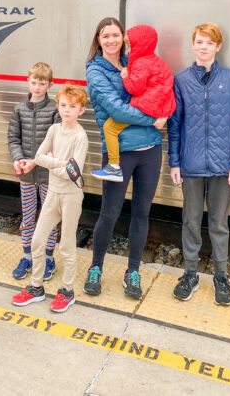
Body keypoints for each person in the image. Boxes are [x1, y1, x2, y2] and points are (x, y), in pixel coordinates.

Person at [167, 22, 230, 306]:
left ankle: (221, 277)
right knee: (190, 221)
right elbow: (175, 125)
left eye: (208, 43)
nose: (203, 47)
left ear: (218, 47)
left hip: (222, 168)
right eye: (199, 42)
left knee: (218, 223)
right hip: (190, 167)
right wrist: (174, 163)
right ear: (193, 45)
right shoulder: (181, 80)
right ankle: (190, 275)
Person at [84, 18, 164, 300]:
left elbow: (157, 91)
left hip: (151, 151)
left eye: (116, 35)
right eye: (105, 36)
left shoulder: (137, 63)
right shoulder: (95, 72)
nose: (111, 40)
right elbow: (116, 112)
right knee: (110, 212)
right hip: (119, 152)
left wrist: (159, 109)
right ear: (98, 39)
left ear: (123, 38)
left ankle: (133, 271)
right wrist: (153, 118)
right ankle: (96, 268)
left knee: (142, 213)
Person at [12, 85, 88, 313]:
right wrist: (60, 163)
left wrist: (52, 163)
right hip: (53, 194)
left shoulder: (80, 136)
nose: (67, 110)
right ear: (58, 106)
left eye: (72, 107)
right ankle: (36, 287)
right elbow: (37, 156)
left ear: (81, 110)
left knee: (66, 245)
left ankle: (67, 291)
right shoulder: (54, 130)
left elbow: (73, 173)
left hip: (71, 196)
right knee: (37, 240)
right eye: (63, 105)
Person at [92, 24, 176, 182]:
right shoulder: (159, 62)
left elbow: (135, 89)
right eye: (105, 36)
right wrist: (163, 114)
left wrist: (125, 77)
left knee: (109, 127)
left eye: (131, 45)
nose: (129, 48)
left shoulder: (139, 63)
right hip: (159, 106)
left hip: (146, 106)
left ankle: (113, 167)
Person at [8, 62, 61, 281]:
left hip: (48, 175)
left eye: (42, 83)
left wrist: (37, 162)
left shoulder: (55, 111)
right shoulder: (19, 109)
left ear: (50, 84)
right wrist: (18, 159)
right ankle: (28, 257)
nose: (37, 87)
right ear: (27, 81)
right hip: (27, 176)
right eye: (33, 82)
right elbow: (13, 138)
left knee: (49, 218)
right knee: (28, 217)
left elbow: (57, 144)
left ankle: (48, 258)